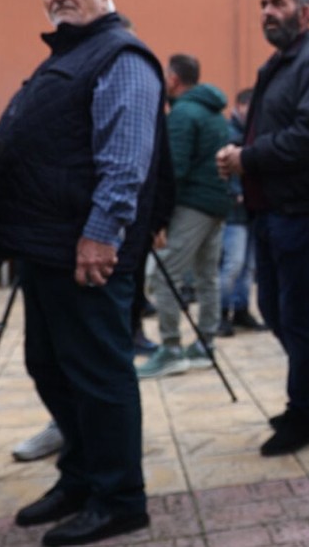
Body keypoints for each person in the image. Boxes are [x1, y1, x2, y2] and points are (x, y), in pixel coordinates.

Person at [0, 0, 161, 546]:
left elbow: (125, 161)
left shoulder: (121, 56)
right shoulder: (70, 54)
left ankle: (120, 498)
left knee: (99, 374)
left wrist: (99, 235)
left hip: (88, 253)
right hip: (46, 249)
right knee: (50, 366)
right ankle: (81, 476)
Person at [216, 0, 309, 456]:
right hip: (271, 212)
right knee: (276, 310)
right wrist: (240, 155)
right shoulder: (277, 65)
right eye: (263, 4)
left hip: (303, 212)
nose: (267, 12)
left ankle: (304, 413)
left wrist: (246, 158)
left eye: (278, 3)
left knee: (295, 314)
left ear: (305, 14)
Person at [137, 53, 233, 377]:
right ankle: (205, 343)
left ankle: (171, 348)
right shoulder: (213, 111)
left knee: (164, 275)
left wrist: (158, 216)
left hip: (192, 205)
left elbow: (173, 170)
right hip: (216, 205)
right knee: (207, 277)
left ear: (174, 79)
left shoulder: (182, 114)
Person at [217, 88, 268, 336]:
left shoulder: (251, 134)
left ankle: (241, 309)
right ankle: (222, 314)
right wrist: (235, 193)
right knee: (233, 264)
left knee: (247, 266)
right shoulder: (230, 133)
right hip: (235, 212)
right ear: (239, 106)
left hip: (249, 210)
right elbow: (225, 168)